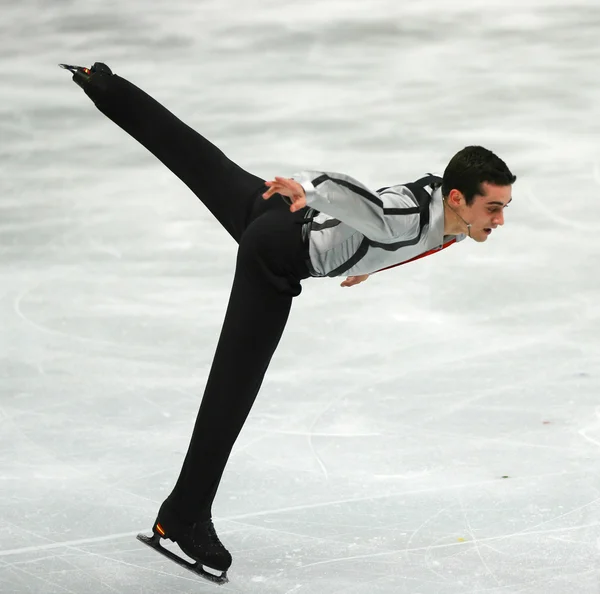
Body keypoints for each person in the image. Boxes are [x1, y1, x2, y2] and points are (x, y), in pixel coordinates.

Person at [61, 62, 516, 583]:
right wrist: (307, 186)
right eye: (494, 208)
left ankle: (103, 84)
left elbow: (417, 241)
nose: (500, 220)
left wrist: (366, 263)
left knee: (197, 156)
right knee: (233, 387)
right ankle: (182, 515)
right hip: (278, 253)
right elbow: (358, 198)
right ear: (459, 198)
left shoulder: (453, 216)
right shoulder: (406, 215)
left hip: (271, 211)